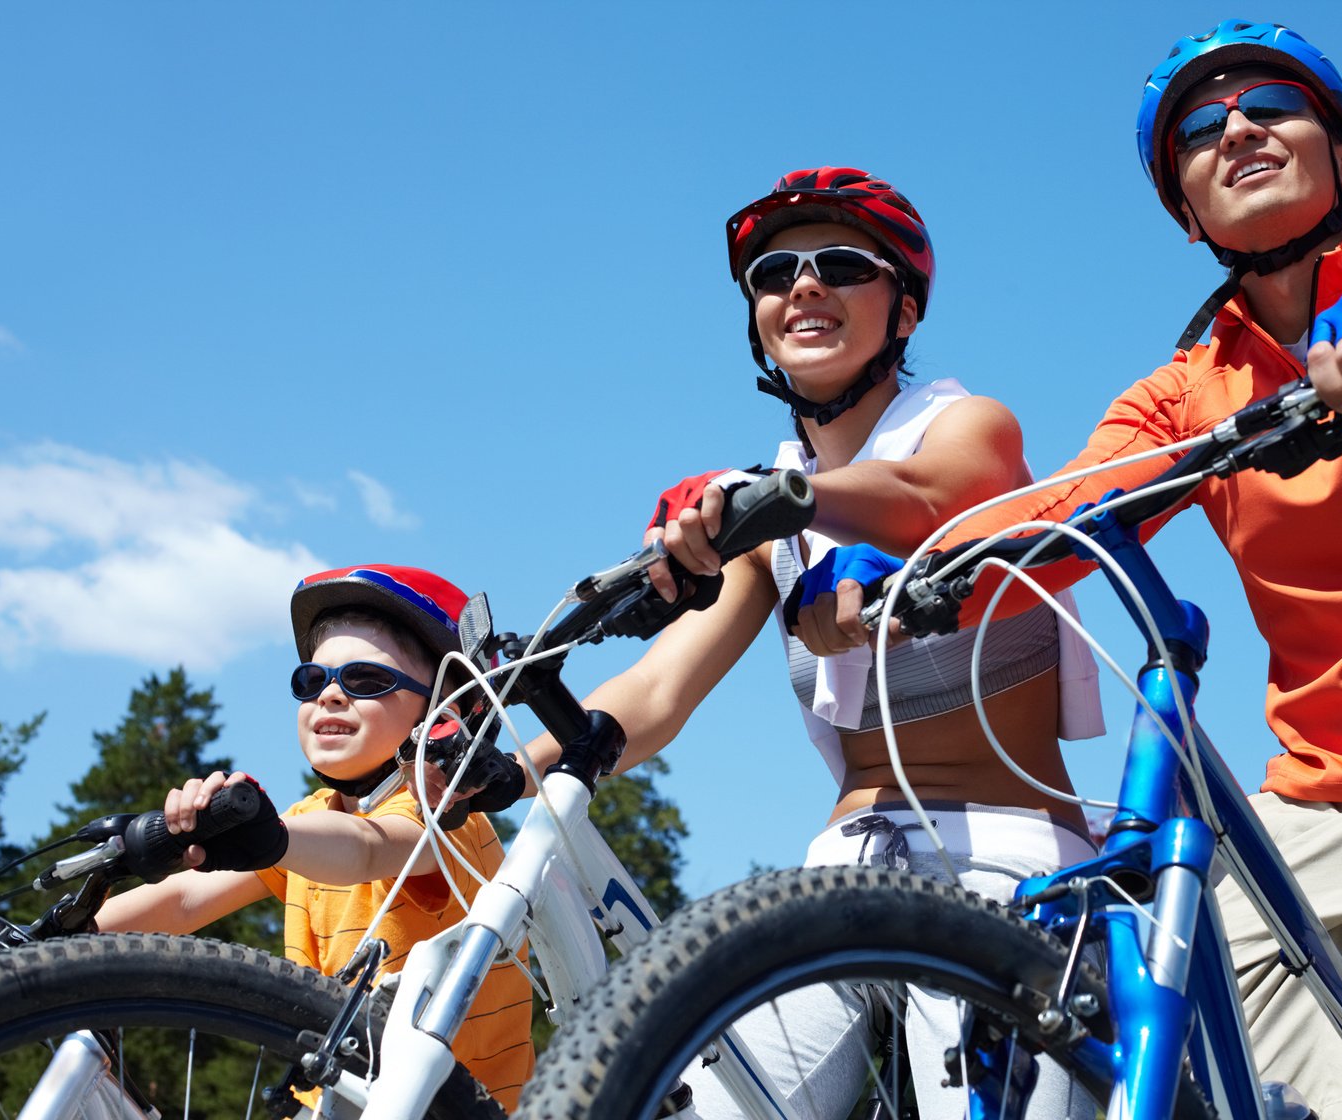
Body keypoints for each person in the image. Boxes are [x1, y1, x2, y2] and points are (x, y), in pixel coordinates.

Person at [807, 20, 1342, 1120]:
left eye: (1271, 106)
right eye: (1202, 129)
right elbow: (1053, 522)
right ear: (1187, 207)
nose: (1239, 128)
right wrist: (909, 576)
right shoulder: (1184, 395)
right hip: (1308, 820)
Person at [455, 166, 1105, 1117]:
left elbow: (944, 499)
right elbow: (655, 694)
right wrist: (507, 767)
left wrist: (773, 503)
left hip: (1009, 861)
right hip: (838, 873)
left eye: (841, 265)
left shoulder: (966, 423)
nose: (803, 286)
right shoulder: (775, 511)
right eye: (773, 273)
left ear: (907, 312)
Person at [97, 564, 533, 1113]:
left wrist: (273, 836)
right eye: (311, 680)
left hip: (451, 1106)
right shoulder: (309, 820)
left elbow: (369, 846)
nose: (328, 695)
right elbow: (182, 901)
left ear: (446, 712)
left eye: (366, 681)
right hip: (338, 1095)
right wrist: (49, 944)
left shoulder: (449, 816)